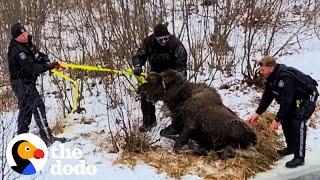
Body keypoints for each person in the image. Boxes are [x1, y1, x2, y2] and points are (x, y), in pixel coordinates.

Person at [246, 55, 318, 168]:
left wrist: (276, 120)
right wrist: (257, 113)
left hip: (307, 95)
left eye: (263, 70)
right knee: (286, 119)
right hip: (294, 97)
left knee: (298, 120)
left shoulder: (285, 77)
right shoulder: (271, 78)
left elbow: (286, 101)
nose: (261, 72)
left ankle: (299, 157)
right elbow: (267, 97)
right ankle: (291, 148)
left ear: (270, 68)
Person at [8, 23, 67, 145]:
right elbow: (31, 68)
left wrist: (48, 62)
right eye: (22, 35)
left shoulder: (27, 45)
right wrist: (48, 66)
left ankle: (20, 140)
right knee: (38, 106)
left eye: (25, 33)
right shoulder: (17, 51)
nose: (26, 36)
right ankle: (47, 137)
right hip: (21, 84)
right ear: (17, 37)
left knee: (26, 111)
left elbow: (37, 55)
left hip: (28, 83)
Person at [132, 22, 188, 133]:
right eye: (160, 39)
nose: (163, 41)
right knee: (145, 93)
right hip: (155, 76)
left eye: (165, 39)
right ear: (155, 38)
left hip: (172, 77)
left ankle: (178, 126)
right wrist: (138, 65)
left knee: (178, 99)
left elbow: (181, 66)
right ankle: (149, 122)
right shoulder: (148, 43)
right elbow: (138, 57)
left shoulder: (176, 45)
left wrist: (174, 81)